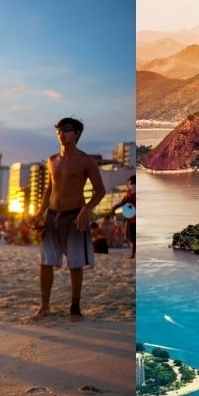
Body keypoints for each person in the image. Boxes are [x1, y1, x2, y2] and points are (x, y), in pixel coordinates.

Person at [35, 117, 107, 318]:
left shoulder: (86, 160)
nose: (61, 133)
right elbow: (49, 189)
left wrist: (86, 210)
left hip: (75, 216)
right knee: (46, 262)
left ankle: (75, 307)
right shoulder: (52, 160)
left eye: (66, 130)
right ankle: (45, 306)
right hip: (52, 216)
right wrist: (39, 213)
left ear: (76, 133)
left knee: (75, 263)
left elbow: (100, 191)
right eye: (58, 129)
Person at [114, 174, 136, 258]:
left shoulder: (132, 189)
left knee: (130, 236)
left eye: (130, 181)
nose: (129, 183)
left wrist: (115, 207)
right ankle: (133, 254)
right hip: (132, 217)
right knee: (132, 237)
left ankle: (133, 254)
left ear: (132, 181)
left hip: (132, 218)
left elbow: (125, 201)